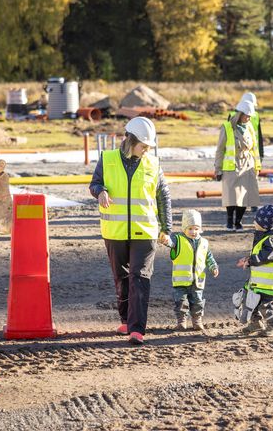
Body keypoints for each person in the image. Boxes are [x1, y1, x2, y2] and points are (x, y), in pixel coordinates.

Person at [89, 116, 172, 345]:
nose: (146, 151)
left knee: (140, 277)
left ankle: (137, 329)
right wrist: (101, 191)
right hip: (115, 231)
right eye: (143, 146)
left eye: (148, 147)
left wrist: (167, 228)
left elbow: (163, 196)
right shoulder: (107, 159)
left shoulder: (153, 164)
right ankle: (126, 320)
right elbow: (94, 184)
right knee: (122, 278)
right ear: (130, 140)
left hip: (145, 231)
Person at [235, 204, 273, 337]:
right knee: (251, 303)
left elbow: (265, 256)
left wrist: (250, 261)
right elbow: (259, 254)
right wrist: (247, 259)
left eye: (256, 221)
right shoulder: (263, 236)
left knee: (267, 306)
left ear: (264, 224)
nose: (253, 222)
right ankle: (256, 323)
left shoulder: (271, 240)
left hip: (268, 284)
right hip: (257, 282)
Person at [168, 209, 219, 331]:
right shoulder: (178, 239)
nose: (193, 232)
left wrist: (214, 267)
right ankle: (182, 321)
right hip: (181, 281)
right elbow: (170, 243)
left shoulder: (204, 243)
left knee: (198, 302)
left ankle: (197, 320)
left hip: (198, 281)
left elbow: (209, 257)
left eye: (196, 229)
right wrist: (165, 240)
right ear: (184, 228)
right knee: (181, 302)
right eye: (190, 228)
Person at [215, 100, 261, 231]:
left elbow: (255, 148)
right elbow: (220, 149)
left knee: (245, 195)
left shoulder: (250, 126)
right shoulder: (227, 127)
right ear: (240, 114)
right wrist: (218, 168)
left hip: (248, 165)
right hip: (231, 166)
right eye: (247, 115)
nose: (249, 118)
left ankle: (238, 222)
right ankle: (229, 220)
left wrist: (257, 166)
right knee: (231, 196)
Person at [230, 92, 263, 162]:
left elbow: (259, 136)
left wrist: (261, 155)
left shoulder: (256, 115)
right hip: (239, 152)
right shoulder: (232, 116)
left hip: (253, 151)